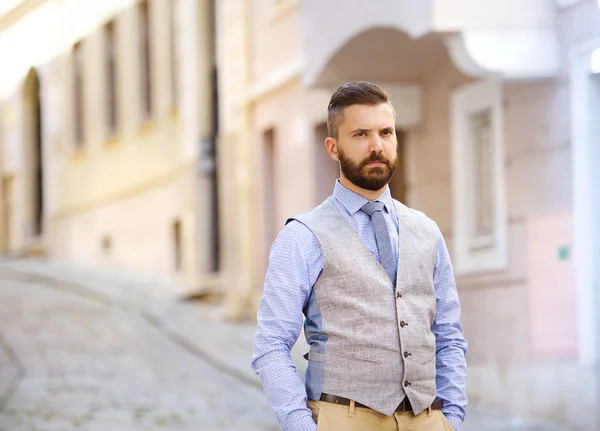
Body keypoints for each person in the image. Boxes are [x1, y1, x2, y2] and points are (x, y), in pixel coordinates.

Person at [251, 81, 468, 431]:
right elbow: (271, 345)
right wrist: (301, 426)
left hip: (428, 419)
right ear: (333, 147)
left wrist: (452, 419)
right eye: (361, 135)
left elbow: (449, 334)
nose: (377, 146)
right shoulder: (302, 236)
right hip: (344, 419)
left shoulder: (426, 231)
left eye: (386, 132)